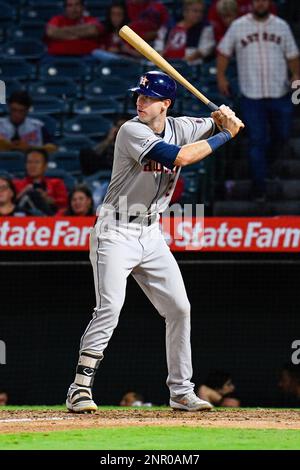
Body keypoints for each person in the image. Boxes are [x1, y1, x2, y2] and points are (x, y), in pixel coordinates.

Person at [66, 70, 244, 413]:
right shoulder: (131, 130)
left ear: (165, 104)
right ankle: (79, 388)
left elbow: (212, 121)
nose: (140, 102)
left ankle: (181, 391)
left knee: (179, 308)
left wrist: (224, 116)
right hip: (115, 231)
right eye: (139, 96)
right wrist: (226, 135)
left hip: (150, 232)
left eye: (148, 98)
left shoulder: (181, 126)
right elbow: (180, 157)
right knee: (110, 308)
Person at [217, 0, 300, 199]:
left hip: (279, 91)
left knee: (282, 135)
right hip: (251, 94)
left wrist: (296, 75)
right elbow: (223, 51)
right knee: (256, 141)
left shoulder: (281, 25)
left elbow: (293, 55)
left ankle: (268, 166)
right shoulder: (238, 26)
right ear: (253, 3)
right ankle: (259, 187)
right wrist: (221, 75)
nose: (261, 3)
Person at [14, 149, 68, 215]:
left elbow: (65, 203)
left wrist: (49, 199)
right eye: (29, 162)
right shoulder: (16, 184)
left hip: (52, 218)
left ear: (45, 166)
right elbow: (8, 205)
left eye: (37, 162)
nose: (32, 166)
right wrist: (23, 193)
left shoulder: (56, 183)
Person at [163, 0, 215, 64]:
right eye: (195, 11)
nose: (199, 14)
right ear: (185, 12)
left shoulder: (206, 28)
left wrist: (183, 62)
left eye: (201, 12)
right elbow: (159, 46)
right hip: (167, 64)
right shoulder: (170, 26)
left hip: (191, 66)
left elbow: (205, 49)